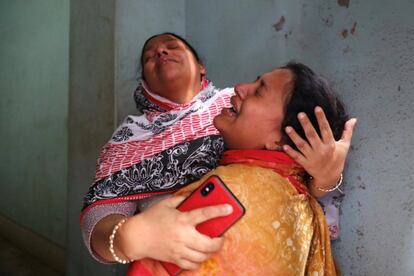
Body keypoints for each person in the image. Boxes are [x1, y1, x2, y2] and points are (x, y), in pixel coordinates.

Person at [80, 33, 356, 271]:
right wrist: (130, 237)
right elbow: (99, 219)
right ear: (144, 84)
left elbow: (292, 185)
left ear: (201, 66)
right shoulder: (126, 142)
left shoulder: (236, 106)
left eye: (172, 45)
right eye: (149, 57)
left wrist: (326, 178)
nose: (160, 52)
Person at [128, 61, 347, 275]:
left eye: (259, 91)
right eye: (149, 57)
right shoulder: (297, 197)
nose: (240, 88)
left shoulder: (233, 190)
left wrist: (130, 237)